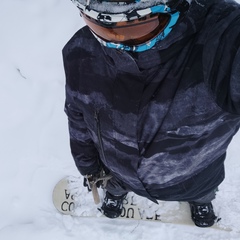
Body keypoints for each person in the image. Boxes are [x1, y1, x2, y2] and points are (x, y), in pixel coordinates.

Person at [63, 0, 240, 228]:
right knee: (115, 184)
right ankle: (116, 194)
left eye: (136, 28)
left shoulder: (223, 43)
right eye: (103, 28)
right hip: (117, 170)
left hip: (194, 175)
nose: (119, 45)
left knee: (203, 191)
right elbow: (77, 114)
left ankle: (200, 201)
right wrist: (88, 166)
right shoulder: (81, 52)